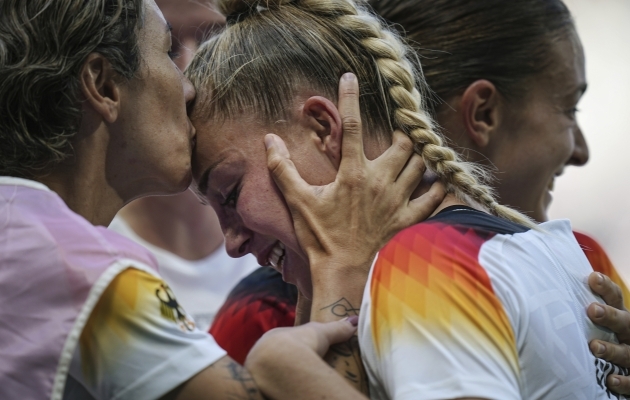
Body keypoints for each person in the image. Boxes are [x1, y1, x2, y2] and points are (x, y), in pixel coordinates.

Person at [186, 0, 630, 398]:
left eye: (230, 192)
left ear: (323, 128)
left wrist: (299, 378)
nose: (231, 244)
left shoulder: (427, 262)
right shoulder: (583, 256)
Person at [0, 0, 443, 399]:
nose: (187, 85)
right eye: (168, 52)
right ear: (103, 83)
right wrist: (341, 264)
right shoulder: (79, 269)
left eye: (230, 193)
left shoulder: (23, 234)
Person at [110, 0, 258, 331]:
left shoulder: (290, 229)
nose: (190, 75)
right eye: (167, 49)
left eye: (215, 44)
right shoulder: (87, 248)